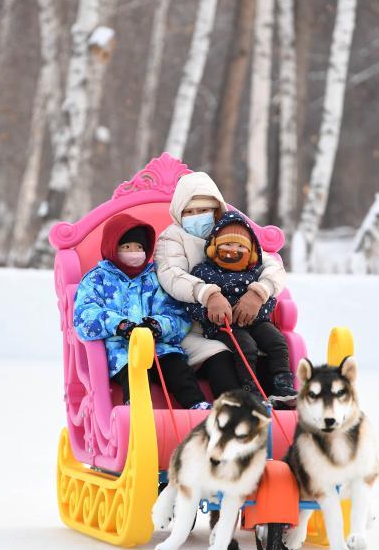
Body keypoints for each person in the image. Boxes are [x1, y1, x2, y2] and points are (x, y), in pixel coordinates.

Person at [154, 171, 289, 398]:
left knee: (268, 344)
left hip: (241, 318)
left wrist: (259, 292)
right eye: (189, 212)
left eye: (203, 210)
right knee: (225, 354)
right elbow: (171, 274)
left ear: (216, 210)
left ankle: (279, 398)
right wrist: (207, 294)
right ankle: (238, 409)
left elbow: (271, 266)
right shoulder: (172, 237)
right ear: (179, 213)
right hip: (195, 324)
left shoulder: (232, 232)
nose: (196, 217)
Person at [73, 213, 211, 410]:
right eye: (127, 247)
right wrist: (119, 325)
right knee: (134, 372)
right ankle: (137, 409)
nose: (134, 252)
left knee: (177, 368)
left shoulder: (154, 279)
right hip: (122, 351)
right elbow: (85, 315)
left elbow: (177, 314)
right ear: (113, 248)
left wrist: (157, 325)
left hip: (160, 347)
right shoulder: (97, 279)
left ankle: (197, 406)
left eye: (139, 247)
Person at [186, 211, 297, 405]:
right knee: (246, 346)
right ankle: (250, 388)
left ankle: (282, 384)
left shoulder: (254, 272)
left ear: (250, 252)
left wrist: (255, 310)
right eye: (227, 244)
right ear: (214, 248)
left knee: (276, 341)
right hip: (223, 326)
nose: (233, 250)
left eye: (240, 246)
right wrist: (209, 314)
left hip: (256, 321)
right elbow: (192, 302)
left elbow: (269, 300)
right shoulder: (204, 271)